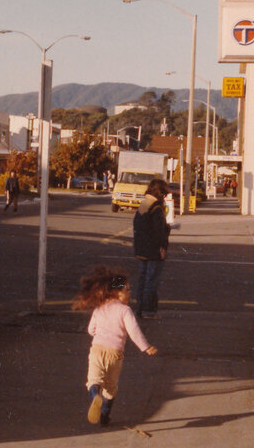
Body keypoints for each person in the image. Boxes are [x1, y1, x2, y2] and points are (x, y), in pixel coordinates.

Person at [75, 265, 158, 426]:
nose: (129, 293)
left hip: (97, 350)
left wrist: (100, 334)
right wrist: (146, 347)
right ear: (116, 292)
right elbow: (134, 331)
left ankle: (95, 396)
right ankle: (104, 417)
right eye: (126, 290)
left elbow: (91, 330)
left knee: (93, 380)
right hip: (115, 354)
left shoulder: (100, 308)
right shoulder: (125, 310)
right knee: (111, 388)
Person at [131, 178, 178, 319]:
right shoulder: (156, 208)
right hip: (153, 250)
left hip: (141, 248)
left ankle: (140, 309)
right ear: (160, 193)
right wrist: (162, 247)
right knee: (152, 281)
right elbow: (158, 231)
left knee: (143, 280)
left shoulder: (144, 204)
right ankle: (149, 311)